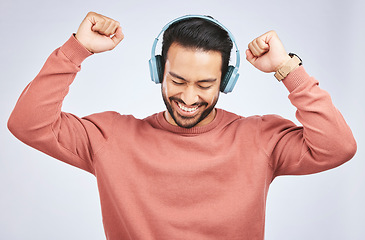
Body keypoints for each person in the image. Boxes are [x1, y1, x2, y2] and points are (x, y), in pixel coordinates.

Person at [8, 12, 356, 240]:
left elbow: (338, 146)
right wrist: (76, 50)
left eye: (205, 84)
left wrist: (287, 69)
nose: (189, 97)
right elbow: (28, 124)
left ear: (226, 81)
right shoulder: (111, 138)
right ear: (159, 72)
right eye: (177, 80)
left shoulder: (259, 139)